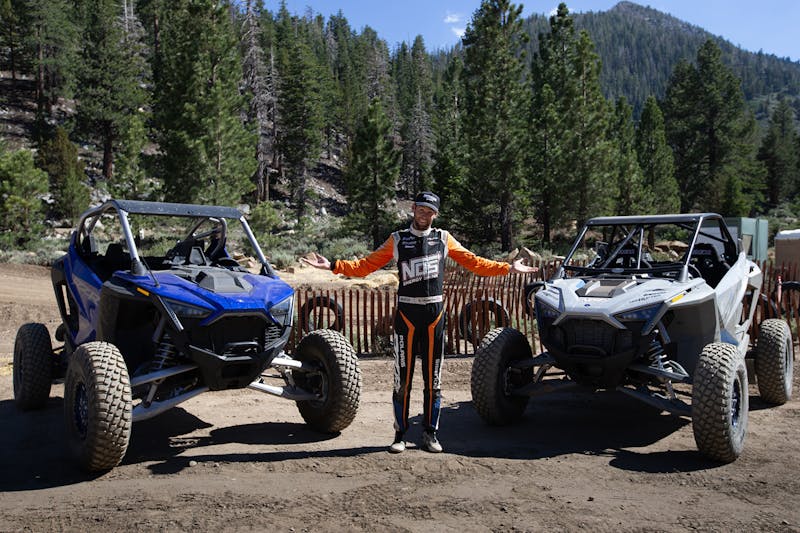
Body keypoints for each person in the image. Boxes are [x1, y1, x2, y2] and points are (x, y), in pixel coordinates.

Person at [301, 191, 538, 454]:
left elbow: (474, 263)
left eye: (430, 211)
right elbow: (366, 266)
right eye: (421, 209)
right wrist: (334, 265)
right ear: (413, 209)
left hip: (434, 317)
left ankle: (430, 433)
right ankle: (400, 434)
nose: (424, 215)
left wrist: (507, 268)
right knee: (402, 379)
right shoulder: (398, 240)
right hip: (406, 318)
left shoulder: (443, 239)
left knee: (433, 380)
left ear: (435, 215)